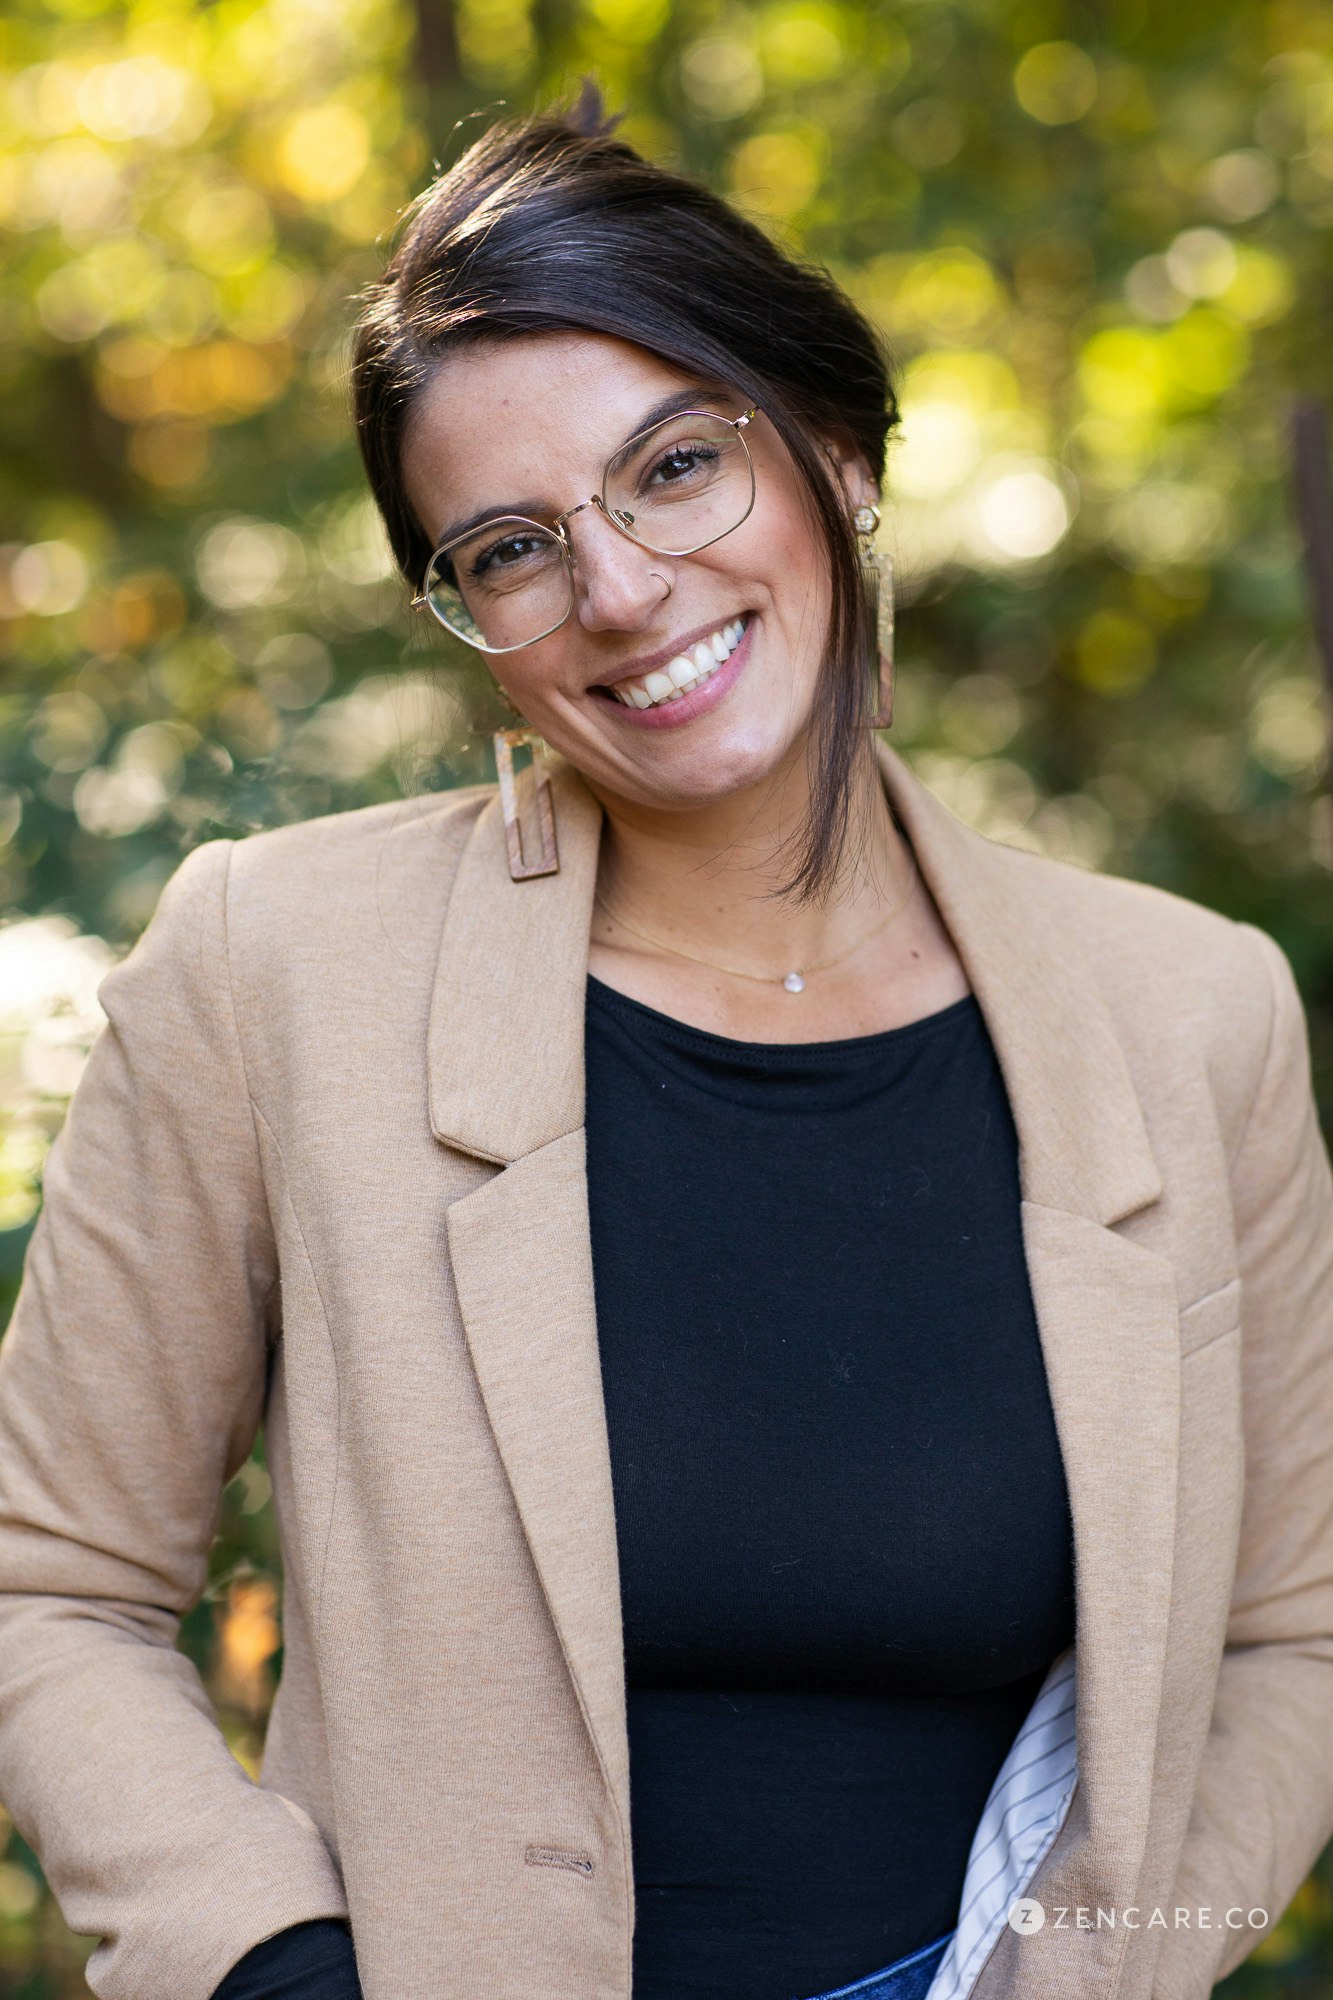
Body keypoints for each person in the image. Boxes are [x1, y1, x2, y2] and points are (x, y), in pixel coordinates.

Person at [0, 88, 1331, 2000]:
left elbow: (1294, 1637)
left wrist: (1118, 1962)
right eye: (513, 548)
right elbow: (50, 1586)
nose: (620, 588)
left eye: (677, 467)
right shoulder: (276, 967)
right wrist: (276, 1973)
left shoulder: (1190, 1014)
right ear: (466, 614)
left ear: (837, 451)